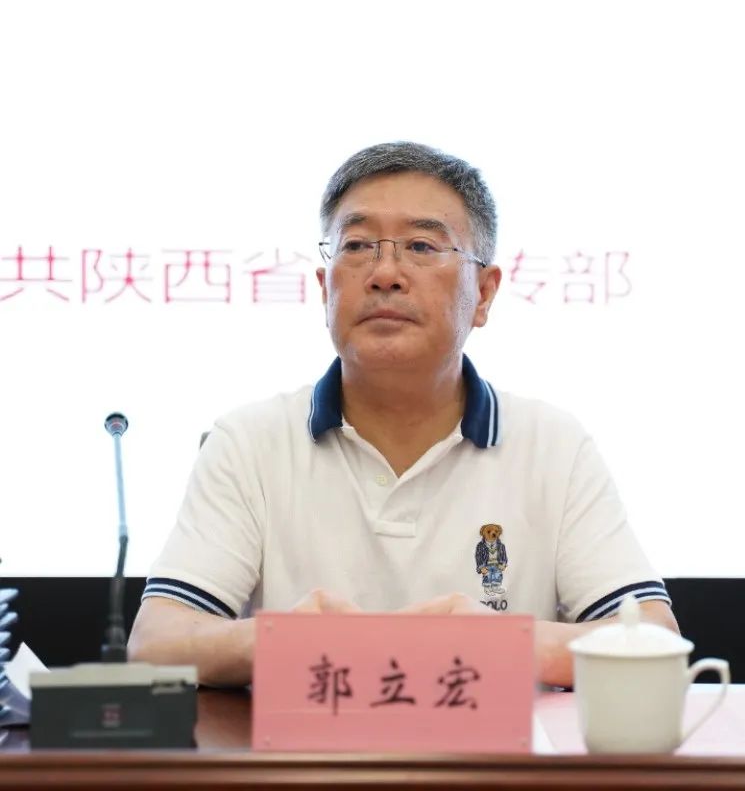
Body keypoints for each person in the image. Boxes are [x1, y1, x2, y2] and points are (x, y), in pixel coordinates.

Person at [128, 142, 677, 687]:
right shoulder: (251, 440)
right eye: (357, 246)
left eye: (420, 245)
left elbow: (653, 640)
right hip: (306, 745)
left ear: (484, 293)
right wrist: (283, 640)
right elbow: (156, 643)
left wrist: (496, 643)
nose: (385, 273)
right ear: (324, 287)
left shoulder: (552, 444)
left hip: (493, 748)